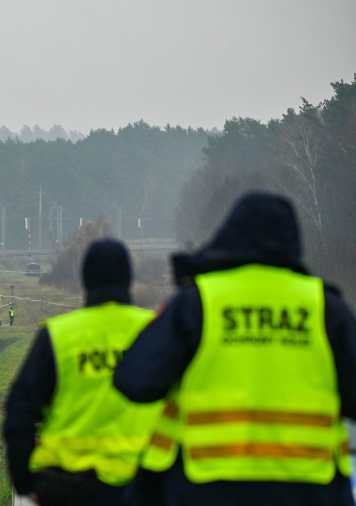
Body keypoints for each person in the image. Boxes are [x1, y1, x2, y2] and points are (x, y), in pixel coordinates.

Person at [114, 191, 356, 506]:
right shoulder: (326, 307)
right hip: (309, 489)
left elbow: (135, 381)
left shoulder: (197, 302)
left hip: (205, 487)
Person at [3, 239, 162, 506]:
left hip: (67, 490)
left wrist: (24, 482)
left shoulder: (58, 335)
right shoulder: (155, 330)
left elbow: (19, 411)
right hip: (143, 486)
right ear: (128, 279)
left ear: (85, 280)